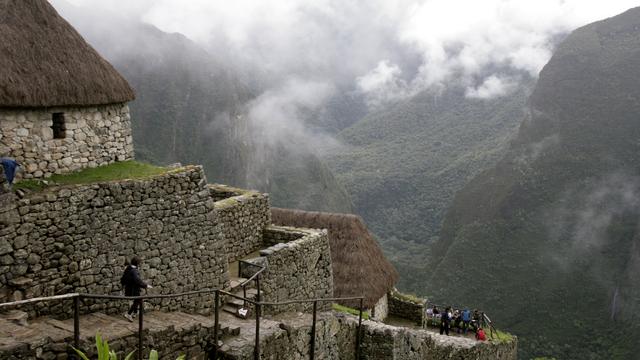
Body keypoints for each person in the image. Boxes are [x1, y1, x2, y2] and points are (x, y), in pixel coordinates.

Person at [120, 256, 152, 322]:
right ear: (137, 263)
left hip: (129, 288)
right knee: (138, 300)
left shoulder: (128, 268)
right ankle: (129, 314)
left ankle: (134, 313)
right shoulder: (134, 271)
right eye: (139, 262)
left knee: (136, 300)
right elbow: (137, 280)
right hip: (133, 289)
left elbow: (124, 278)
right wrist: (145, 285)